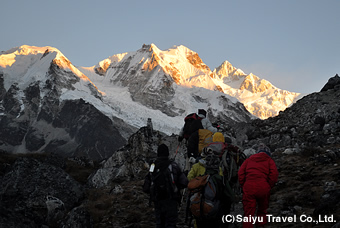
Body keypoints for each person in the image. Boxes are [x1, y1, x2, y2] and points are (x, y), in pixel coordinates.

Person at [146, 144, 189, 228]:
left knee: (159, 223)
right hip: (171, 200)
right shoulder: (173, 165)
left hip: (158, 200)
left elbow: (147, 184)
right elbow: (184, 182)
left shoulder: (153, 166)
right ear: (168, 153)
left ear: (158, 153)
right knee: (170, 223)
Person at [238, 143, 279, 228]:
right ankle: (260, 225)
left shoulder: (249, 160)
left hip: (249, 187)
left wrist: (243, 185)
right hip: (263, 187)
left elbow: (240, 173)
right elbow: (274, 175)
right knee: (262, 210)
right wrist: (268, 186)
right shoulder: (269, 160)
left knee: (248, 213)